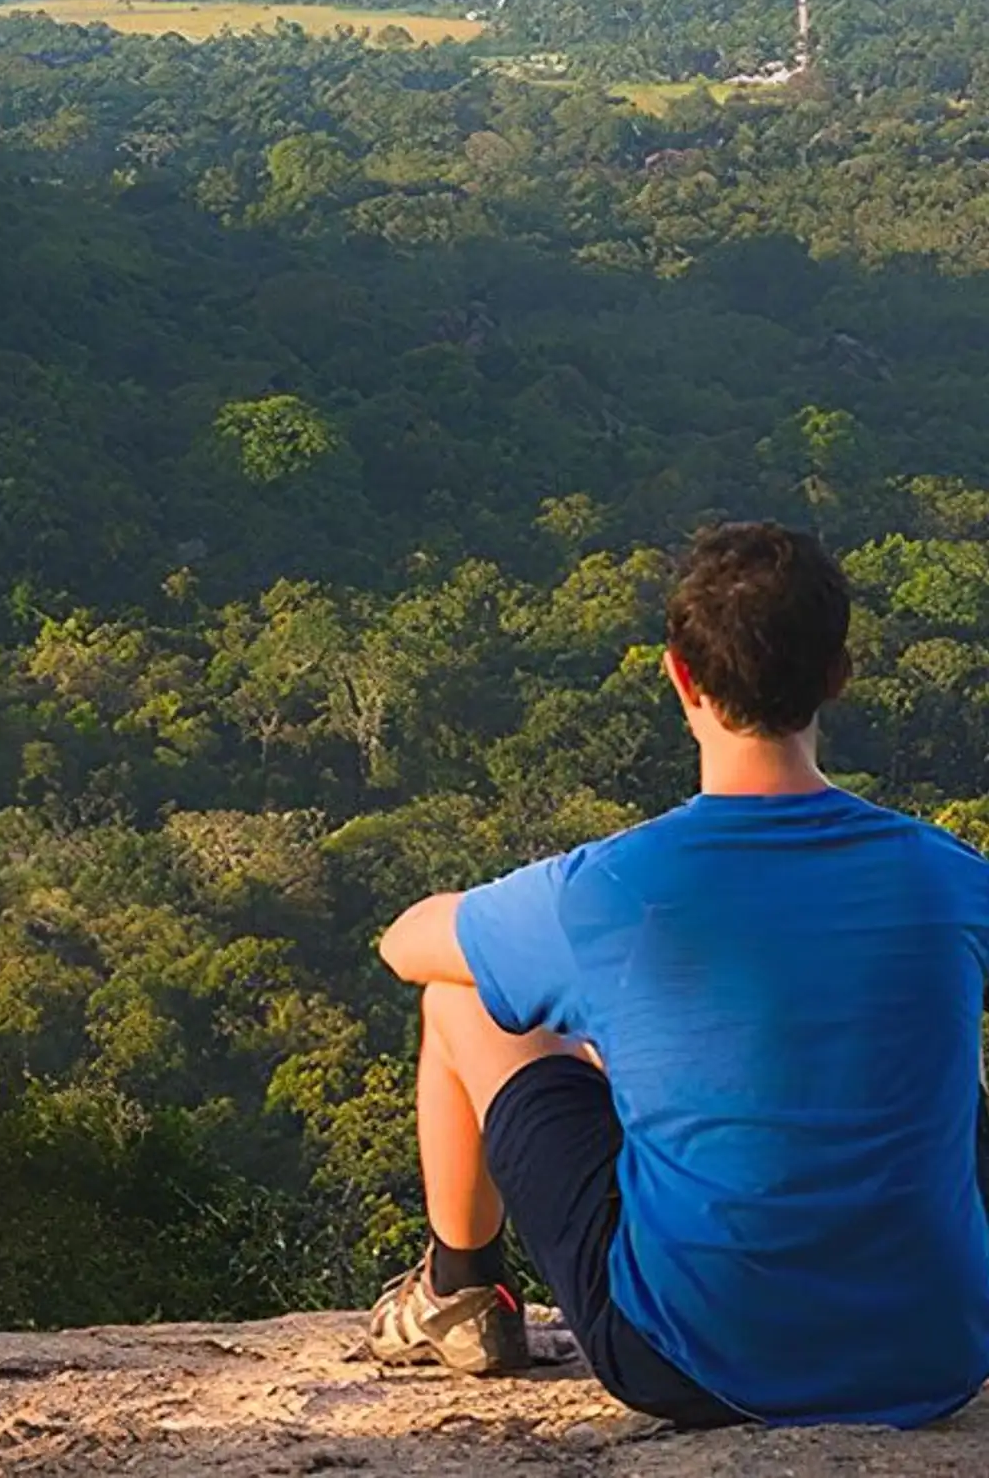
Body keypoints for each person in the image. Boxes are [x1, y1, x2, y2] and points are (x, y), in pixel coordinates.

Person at [368, 521, 989, 1429]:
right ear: (837, 676)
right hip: (937, 1353)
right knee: (939, 1066)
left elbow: (403, 942)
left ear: (680, 676)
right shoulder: (953, 877)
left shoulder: (614, 890)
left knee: (462, 991)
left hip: (687, 1360)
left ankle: (459, 1293)